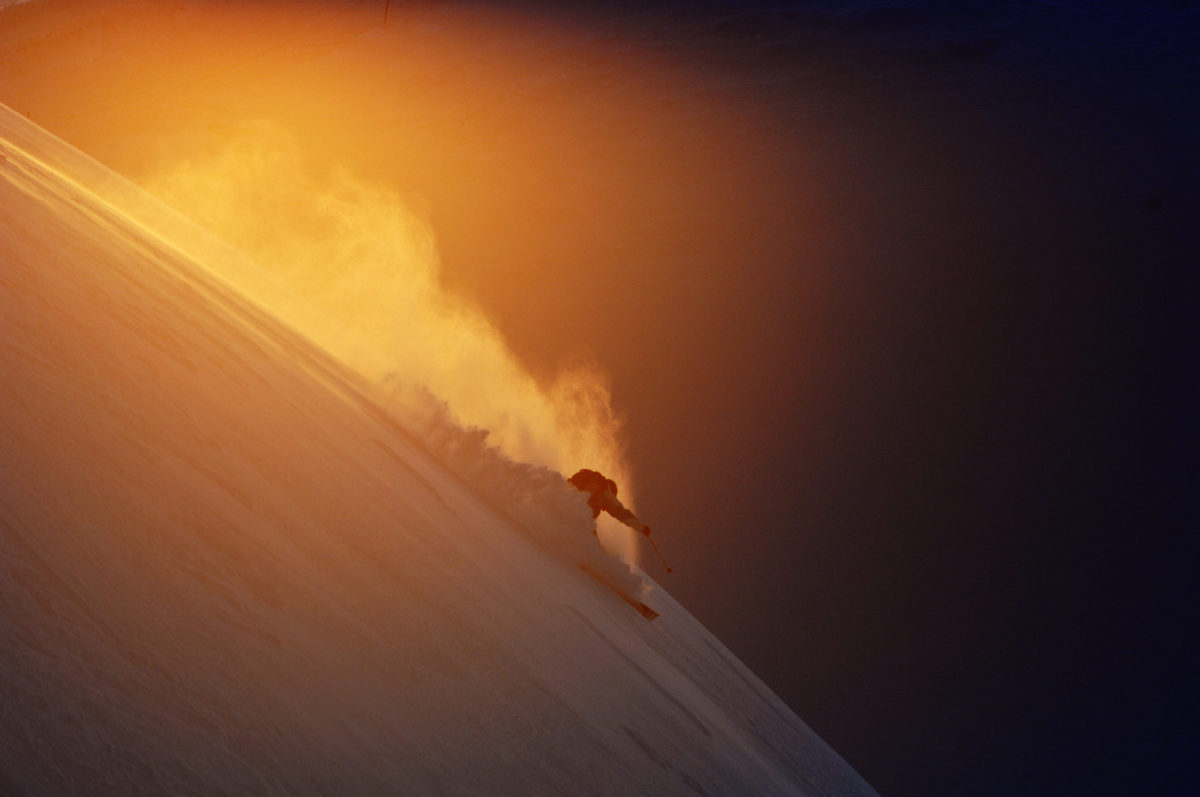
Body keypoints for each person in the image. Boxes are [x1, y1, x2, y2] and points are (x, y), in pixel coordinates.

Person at [567, 468, 651, 537]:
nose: (604, 509)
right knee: (591, 541)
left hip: (569, 504)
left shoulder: (594, 487)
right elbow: (621, 513)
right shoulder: (606, 493)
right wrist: (641, 528)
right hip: (579, 517)